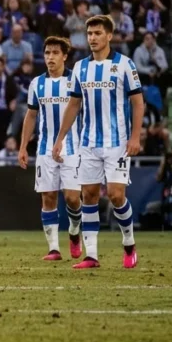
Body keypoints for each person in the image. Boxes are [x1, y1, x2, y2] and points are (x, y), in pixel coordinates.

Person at [51, 15, 145, 270]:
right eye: (89, 33)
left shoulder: (125, 65)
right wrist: (60, 138)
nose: (92, 38)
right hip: (88, 143)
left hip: (117, 143)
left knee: (115, 195)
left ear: (109, 36)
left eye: (97, 33)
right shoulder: (81, 67)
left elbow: (137, 102)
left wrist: (136, 136)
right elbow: (73, 104)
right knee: (89, 196)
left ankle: (129, 243)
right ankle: (91, 255)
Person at [17, 37, 84, 261]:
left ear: (64, 56)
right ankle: (54, 249)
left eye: (55, 53)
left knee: (73, 198)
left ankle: (75, 230)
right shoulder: (37, 83)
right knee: (48, 197)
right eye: (47, 53)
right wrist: (23, 146)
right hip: (45, 149)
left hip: (72, 149)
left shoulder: (76, 79)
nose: (50, 57)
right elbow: (31, 115)